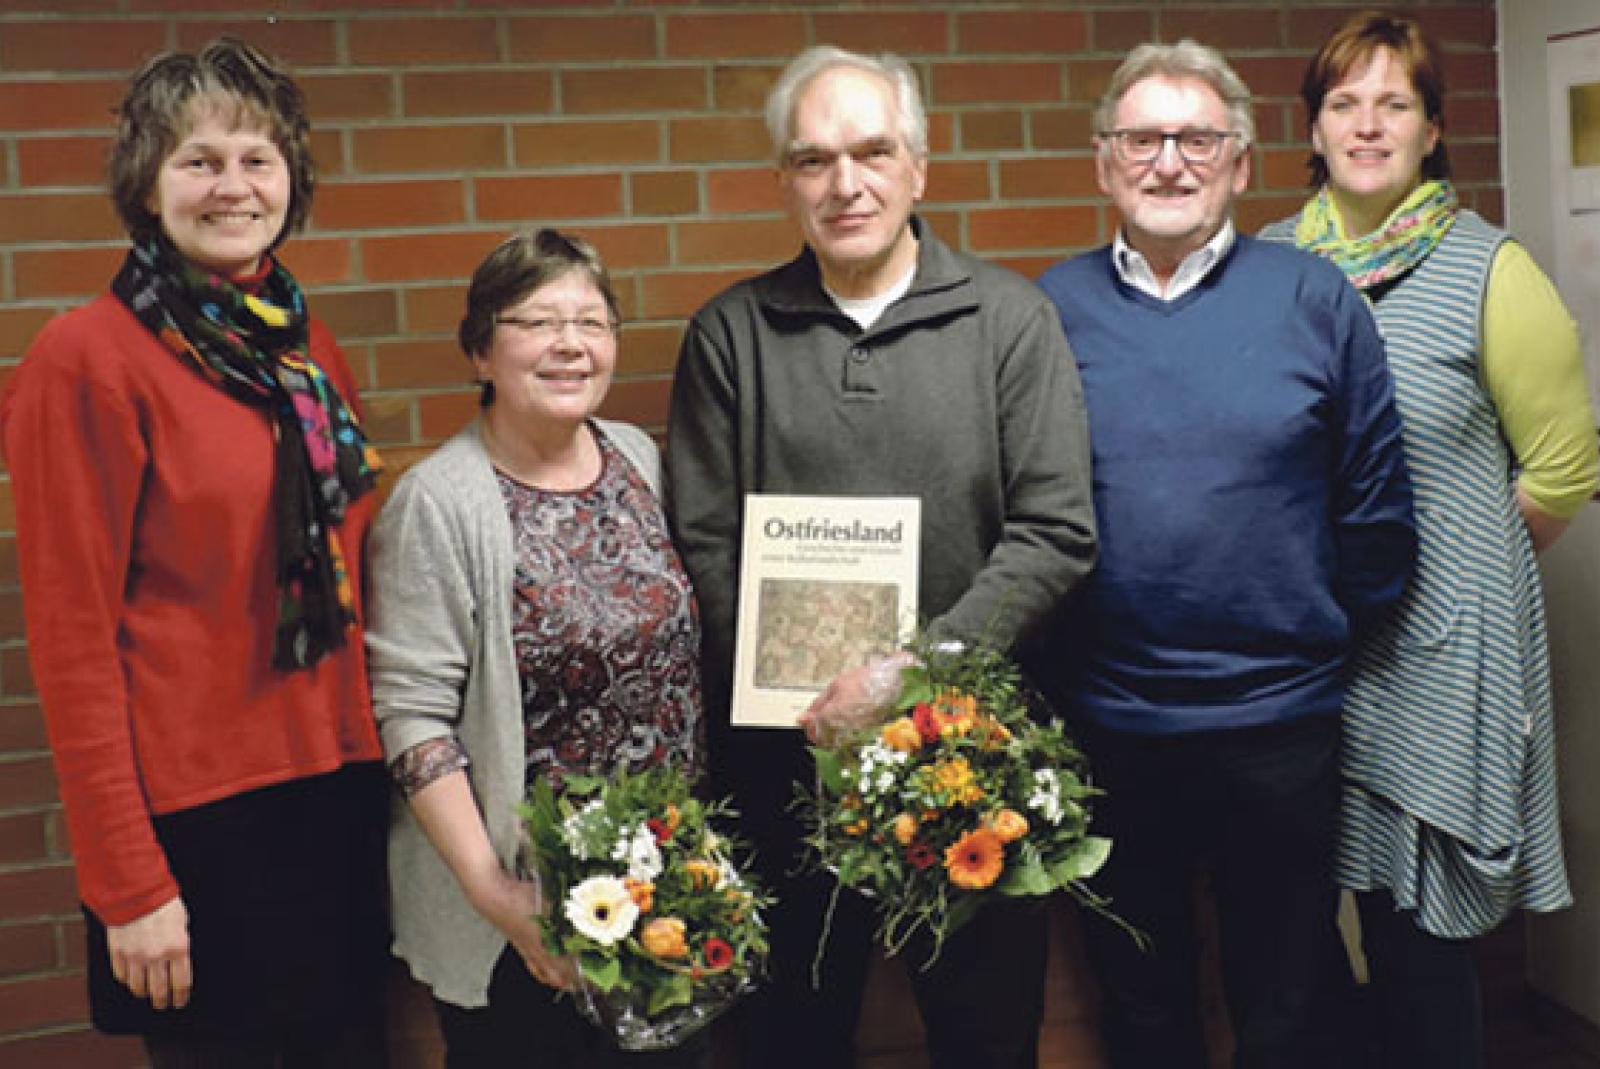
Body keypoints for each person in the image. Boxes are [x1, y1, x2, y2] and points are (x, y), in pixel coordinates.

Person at [664, 44, 1097, 1069]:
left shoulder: (1009, 320)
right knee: (792, 1039)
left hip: (970, 761)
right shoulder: (731, 334)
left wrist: (916, 674)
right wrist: (801, 690)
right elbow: (706, 540)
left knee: (985, 1038)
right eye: (813, 160)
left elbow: (1054, 531)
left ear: (919, 167)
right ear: (784, 181)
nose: (844, 183)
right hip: (790, 765)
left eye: (871, 152)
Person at [0, 37, 389, 1066]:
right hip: (200, 825)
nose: (233, 186)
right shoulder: (85, 360)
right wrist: (127, 882)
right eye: (199, 161)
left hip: (336, 790)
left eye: (258, 158)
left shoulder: (299, 348)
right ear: (147, 182)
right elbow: (71, 643)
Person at [1032, 39, 1416, 1068]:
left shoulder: (1315, 301)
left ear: (1241, 163)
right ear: (1104, 161)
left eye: (1197, 139)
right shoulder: (1047, 311)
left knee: (1289, 1006)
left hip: (1280, 729)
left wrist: (1300, 632)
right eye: (1142, 140)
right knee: (1141, 1005)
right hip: (1110, 729)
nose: (1169, 162)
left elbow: (1377, 513)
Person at [1259, 12, 1600, 1067]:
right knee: (1288, 924)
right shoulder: (1264, 267)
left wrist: (1450, 568)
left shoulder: (1490, 270)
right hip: (1295, 652)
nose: (1368, 125)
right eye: (1344, 104)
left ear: (1432, 129)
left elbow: (1563, 469)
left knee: (1417, 935)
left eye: (1394, 104)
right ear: (1313, 128)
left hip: (1433, 657)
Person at [365, 229, 706, 1068]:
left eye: (592, 322)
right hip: (526, 909)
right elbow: (412, 717)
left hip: (658, 888)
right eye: (539, 322)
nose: (570, 344)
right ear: (480, 351)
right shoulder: (438, 502)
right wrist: (497, 896)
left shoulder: (636, 457)